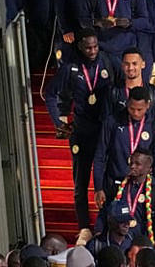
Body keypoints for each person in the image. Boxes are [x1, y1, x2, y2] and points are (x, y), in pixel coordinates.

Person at [44, 29, 116, 246]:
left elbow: (120, 88)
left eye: (95, 46)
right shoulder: (70, 68)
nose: (92, 51)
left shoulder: (107, 62)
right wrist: (58, 122)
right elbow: (50, 93)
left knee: (105, 179)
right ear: (80, 47)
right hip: (81, 131)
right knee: (80, 181)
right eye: (88, 47)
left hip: (104, 130)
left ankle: (105, 225)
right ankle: (84, 227)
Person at [93, 87, 155, 212]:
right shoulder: (112, 122)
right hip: (114, 184)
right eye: (132, 108)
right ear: (127, 103)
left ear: (148, 105)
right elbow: (100, 155)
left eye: (140, 109)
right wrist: (98, 187)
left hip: (141, 188)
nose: (136, 113)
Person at [104, 148, 155, 264]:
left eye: (137, 164)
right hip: (121, 246)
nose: (132, 166)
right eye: (131, 163)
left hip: (143, 249)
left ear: (149, 169)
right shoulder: (119, 187)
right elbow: (107, 213)